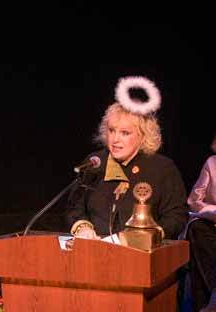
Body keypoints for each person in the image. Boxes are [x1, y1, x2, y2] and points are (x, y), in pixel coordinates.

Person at [65, 76, 188, 241]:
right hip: (93, 251)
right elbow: (75, 207)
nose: (115, 140)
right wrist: (82, 227)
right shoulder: (95, 162)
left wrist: (150, 236)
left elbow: (176, 216)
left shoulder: (162, 168)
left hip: (142, 254)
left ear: (143, 135)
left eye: (125, 133)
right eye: (112, 130)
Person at [186, 134, 216, 312]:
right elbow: (194, 200)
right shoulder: (212, 163)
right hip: (212, 224)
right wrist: (211, 211)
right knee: (196, 228)